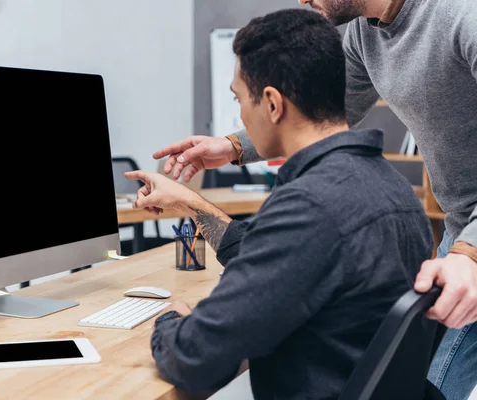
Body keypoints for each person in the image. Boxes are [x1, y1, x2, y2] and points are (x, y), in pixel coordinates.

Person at [155, 0, 477, 398]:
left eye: (239, 100)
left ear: (271, 103)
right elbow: (323, 106)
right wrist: (230, 149)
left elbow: (199, 355)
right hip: (462, 223)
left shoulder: (463, 16)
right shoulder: (392, 194)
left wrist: (169, 318)